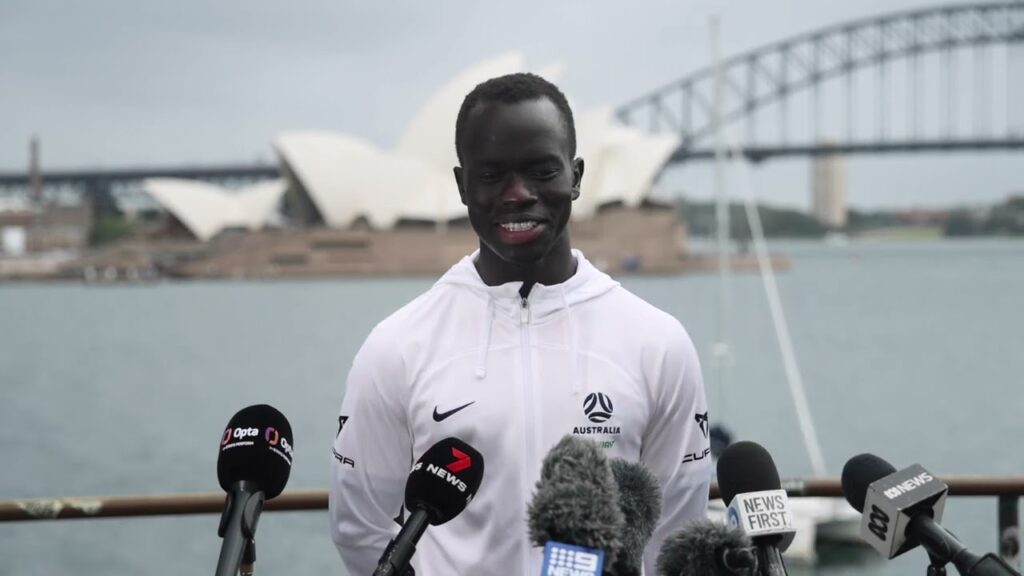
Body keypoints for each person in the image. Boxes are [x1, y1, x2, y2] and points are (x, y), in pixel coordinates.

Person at [329, 73, 710, 576]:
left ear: (575, 175)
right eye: (491, 176)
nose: (517, 194)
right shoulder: (398, 346)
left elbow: (675, 528)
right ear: (462, 185)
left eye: (541, 170)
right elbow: (361, 527)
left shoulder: (657, 342)